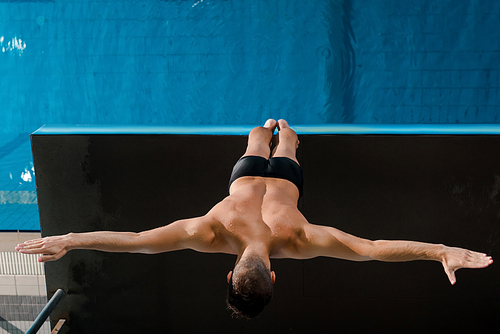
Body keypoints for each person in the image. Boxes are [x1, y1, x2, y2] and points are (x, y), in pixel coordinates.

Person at [16, 119, 493, 319]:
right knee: (253, 141)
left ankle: (281, 130)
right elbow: (136, 239)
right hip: (244, 177)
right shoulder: (208, 233)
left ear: (274, 276)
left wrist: (440, 251)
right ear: (228, 273)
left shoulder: (300, 239)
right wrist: (70, 237)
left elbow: (371, 249)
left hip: (287, 180)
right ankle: (269, 127)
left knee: (288, 145)